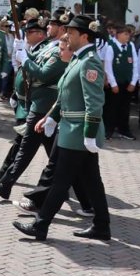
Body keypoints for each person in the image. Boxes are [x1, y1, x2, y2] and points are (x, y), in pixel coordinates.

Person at [13, 15, 110, 241]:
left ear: (85, 36)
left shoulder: (90, 62)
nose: (67, 36)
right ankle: (102, 226)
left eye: (72, 33)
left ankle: (41, 225)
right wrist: (52, 119)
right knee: (92, 181)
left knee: (60, 181)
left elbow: (94, 102)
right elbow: (65, 95)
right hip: (71, 129)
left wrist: (89, 134)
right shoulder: (77, 59)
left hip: (78, 132)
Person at [0, 19, 64, 200]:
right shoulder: (49, 47)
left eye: (51, 25)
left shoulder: (59, 49)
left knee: (39, 151)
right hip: (37, 104)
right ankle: (7, 184)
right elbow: (30, 64)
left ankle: (77, 195)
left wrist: (25, 57)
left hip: (45, 106)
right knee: (40, 152)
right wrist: (21, 51)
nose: (48, 27)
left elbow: (42, 73)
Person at [103, 24, 139, 141]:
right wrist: (113, 84)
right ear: (118, 35)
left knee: (125, 108)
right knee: (112, 108)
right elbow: (108, 67)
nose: (128, 36)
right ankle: (108, 130)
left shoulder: (131, 46)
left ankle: (124, 130)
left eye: (129, 34)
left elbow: (135, 64)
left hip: (127, 83)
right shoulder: (110, 47)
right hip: (116, 84)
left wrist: (133, 82)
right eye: (125, 34)